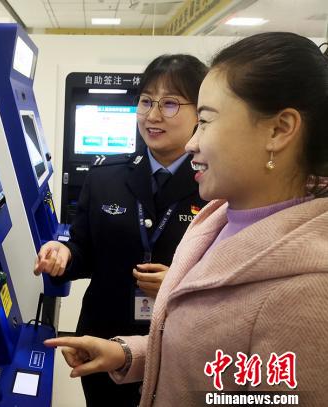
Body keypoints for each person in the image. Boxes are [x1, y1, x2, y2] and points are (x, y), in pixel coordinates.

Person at [45, 32, 328, 407]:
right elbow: (207, 355)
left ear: (278, 129)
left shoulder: (309, 292)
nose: (193, 142)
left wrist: (175, 287)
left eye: (205, 120)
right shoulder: (219, 215)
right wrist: (128, 354)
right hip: (117, 342)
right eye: (146, 102)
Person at [34, 54, 208, 406]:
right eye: (145, 101)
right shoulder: (104, 178)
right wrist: (64, 254)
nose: (153, 115)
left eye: (170, 103)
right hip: (102, 338)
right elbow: (84, 251)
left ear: (199, 114)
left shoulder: (215, 186)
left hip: (179, 343)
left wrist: (177, 283)